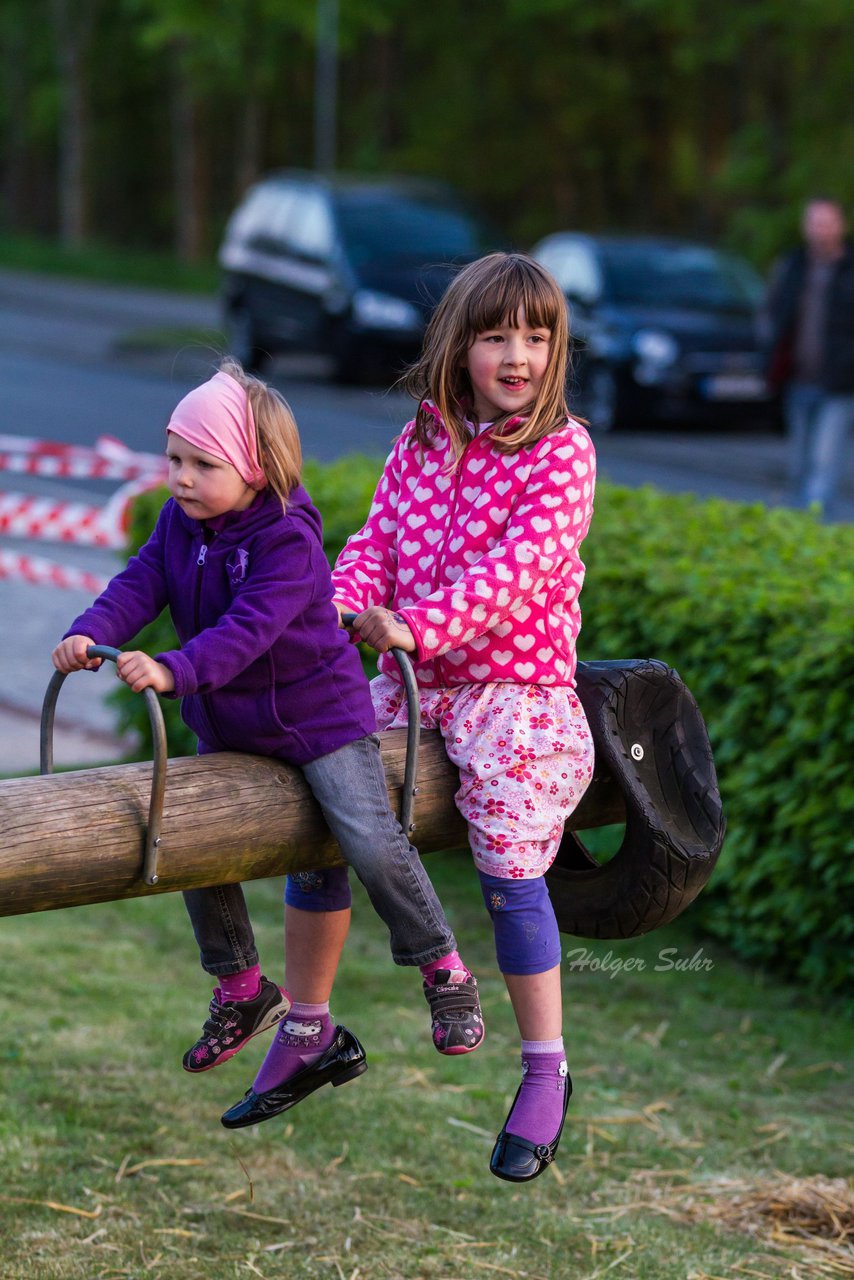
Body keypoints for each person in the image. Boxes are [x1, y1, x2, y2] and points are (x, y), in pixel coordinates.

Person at [52, 357, 484, 1130]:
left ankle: (441, 964)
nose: (180, 478)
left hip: (316, 722)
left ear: (254, 469)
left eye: (202, 464)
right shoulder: (182, 524)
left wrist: (176, 669)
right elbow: (139, 583)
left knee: (366, 837)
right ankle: (242, 987)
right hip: (234, 729)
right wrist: (92, 631)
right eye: (175, 458)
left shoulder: (286, 540)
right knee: (181, 830)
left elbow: (248, 632)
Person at [328, 252, 597, 1183]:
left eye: (537, 335)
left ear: (556, 349)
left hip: (508, 695)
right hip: (413, 688)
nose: (517, 355)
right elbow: (378, 540)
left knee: (511, 855)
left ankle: (545, 1069)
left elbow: (515, 574)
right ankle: (306, 1021)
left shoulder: (563, 452)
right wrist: (341, 603)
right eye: (496, 336)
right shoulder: (421, 442)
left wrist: (414, 624)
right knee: (318, 785)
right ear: (460, 344)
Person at [762, 196, 854, 518]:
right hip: (797, 376)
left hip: (840, 382)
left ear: (841, 225)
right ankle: (799, 528)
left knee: (824, 460)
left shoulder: (849, 268)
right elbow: (773, 314)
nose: (820, 229)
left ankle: (816, 530)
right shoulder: (793, 265)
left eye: (827, 222)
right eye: (814, 222)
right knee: (799, 462)